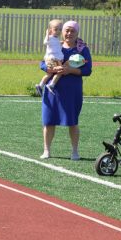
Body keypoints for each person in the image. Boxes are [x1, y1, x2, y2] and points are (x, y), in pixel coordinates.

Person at [39, 20, 93, 161]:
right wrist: (50, 69)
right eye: (66, 30)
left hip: (71, 92)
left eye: (72, 31)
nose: (69, 33)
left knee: (72, 122)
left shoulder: (82, 49)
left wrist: (70, 70)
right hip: (52, 90)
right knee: (48, 121)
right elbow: (42, 63)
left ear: (77, 33)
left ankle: (74, 152)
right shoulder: (55, 44)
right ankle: (46, 150)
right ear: (62, 31)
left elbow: (87, 70)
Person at [35, 19, 63, 96]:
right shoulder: (50, 37)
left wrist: (60, 43)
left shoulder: (56, 38)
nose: (58, 31)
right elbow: (45, 42)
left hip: (53, 59)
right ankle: (51, 85)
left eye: (60, 29)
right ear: (50, 30)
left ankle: (40, 85)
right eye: (56, 29)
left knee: (49, 74)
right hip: (52, 59)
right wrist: (47, 34)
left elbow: (54, 45)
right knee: (60, 71)